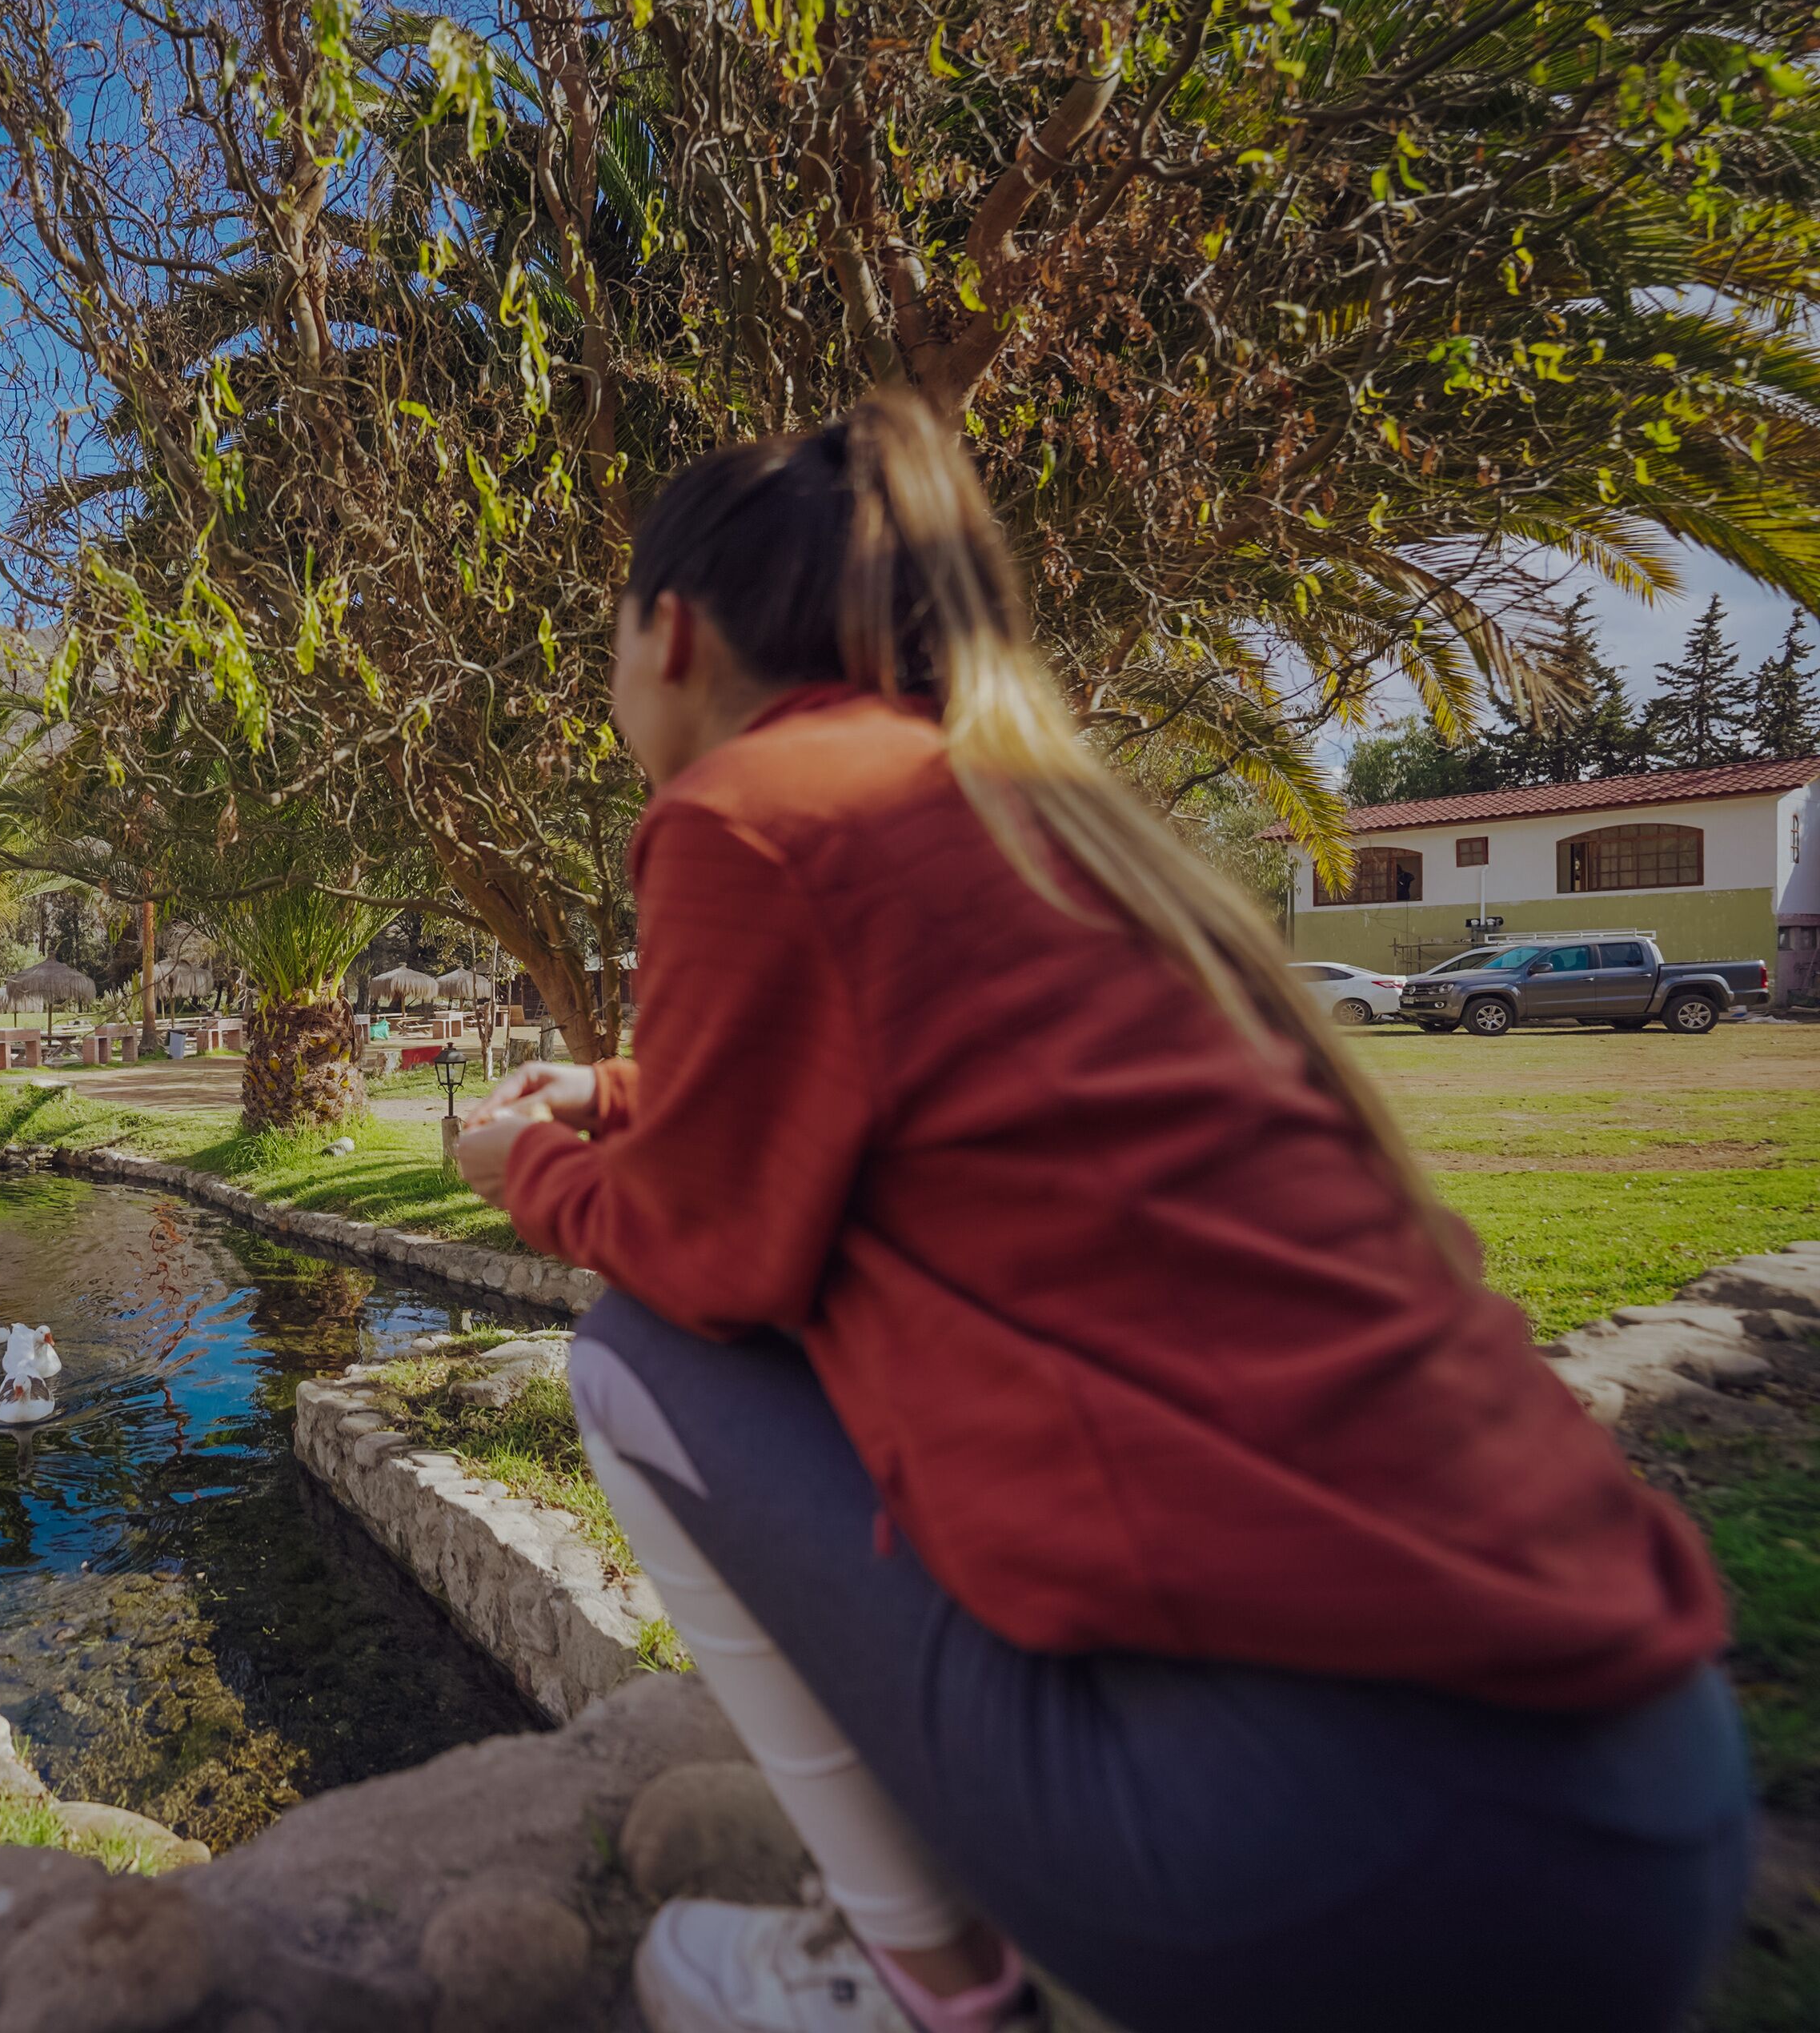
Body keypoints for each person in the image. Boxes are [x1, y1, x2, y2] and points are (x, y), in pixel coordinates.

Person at [454, 391, 1749, 2033]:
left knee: (638, 1357)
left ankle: (926, 1979)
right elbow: (901, 1108)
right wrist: (627, 1101)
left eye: (609, 643)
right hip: (1651, 1794)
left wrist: (535, 1172)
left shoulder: (750, 808)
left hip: (1355, 1876)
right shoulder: (1044, 812)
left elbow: (713, 1259)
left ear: (674, 633)